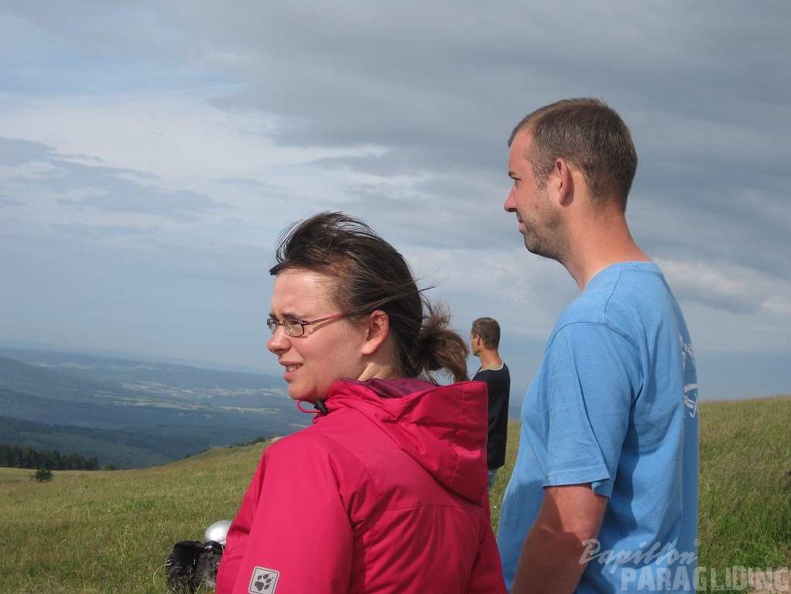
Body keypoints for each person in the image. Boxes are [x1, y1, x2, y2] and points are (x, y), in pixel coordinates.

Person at [216, 212, 506, 594]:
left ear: (373, 330)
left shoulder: (314, 460)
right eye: (275, 323)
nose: (276, 341)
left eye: (296, 323)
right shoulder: (451, 456)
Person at [496, 99, 699, 593]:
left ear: (560, 178)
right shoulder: (652, 298)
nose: (509, 201)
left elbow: (570, 528)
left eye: (517, 179)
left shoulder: (595, 323)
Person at [470, 317, 511, 489]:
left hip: (483, 460)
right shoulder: (501, 369)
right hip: (492, 457)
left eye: (472, 337)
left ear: (479, 339)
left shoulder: (486, 379)